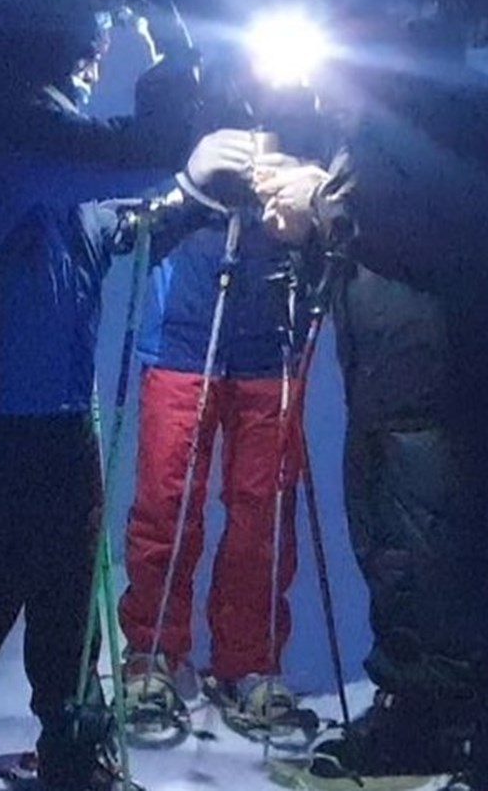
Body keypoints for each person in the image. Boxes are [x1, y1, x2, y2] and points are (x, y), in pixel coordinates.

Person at [0, 0, 237, 790]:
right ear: (52, 40)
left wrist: (188, 202)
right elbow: (139, 153)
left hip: (56, 411)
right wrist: (176, 65)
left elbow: (98, 232)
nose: (97, 59)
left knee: (66, 589)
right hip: (3, 416)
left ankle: (68, 745)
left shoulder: (30, 127)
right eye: (90, 41)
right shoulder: (7, 125)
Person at [235, 16, 488, 791]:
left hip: (447, 377)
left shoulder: (455, 107)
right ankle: (415, 715)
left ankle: (482, 739)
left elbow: (425, 218)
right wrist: (315, 219)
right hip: (394, 374)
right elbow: (375, 230)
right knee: (395, 553)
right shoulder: (390, 116)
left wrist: (322, 199)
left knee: (444, 553)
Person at [115, 49, 338, 739]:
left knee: (263, 509)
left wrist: (312, 202)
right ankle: (152, 652)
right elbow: (129, 218)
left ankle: (249, 660)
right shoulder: (174, 91)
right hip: (183, 331)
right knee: (168, 499)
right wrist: (188, 180)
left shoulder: (313, 98)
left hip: (270, 338)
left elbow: (337, 220)